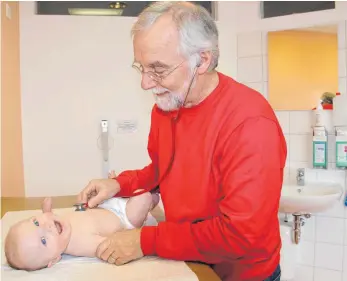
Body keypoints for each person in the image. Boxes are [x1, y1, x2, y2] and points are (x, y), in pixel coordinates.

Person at [77, 2, 287, 281]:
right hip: (189, 262)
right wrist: (119, 184)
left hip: (242, 275)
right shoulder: (166, 107)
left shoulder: (250, 124)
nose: (145, 83)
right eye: (140, 67)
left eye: (158, 69)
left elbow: (241, 235)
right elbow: (166, 170)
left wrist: (144, 241)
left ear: (202, 60)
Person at [4, 171, 160, 271]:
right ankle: (153, 200)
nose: (48, 226)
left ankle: (131, 190)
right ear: (54, 259)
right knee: (143, 196)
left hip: (103, 206)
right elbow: (109, 245)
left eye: (36, 222)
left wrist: (50, 211)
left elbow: (73, 216)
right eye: (44, 241)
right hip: (124, 217)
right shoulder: (78, 245)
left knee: (122, 182)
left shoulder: (56, 226)